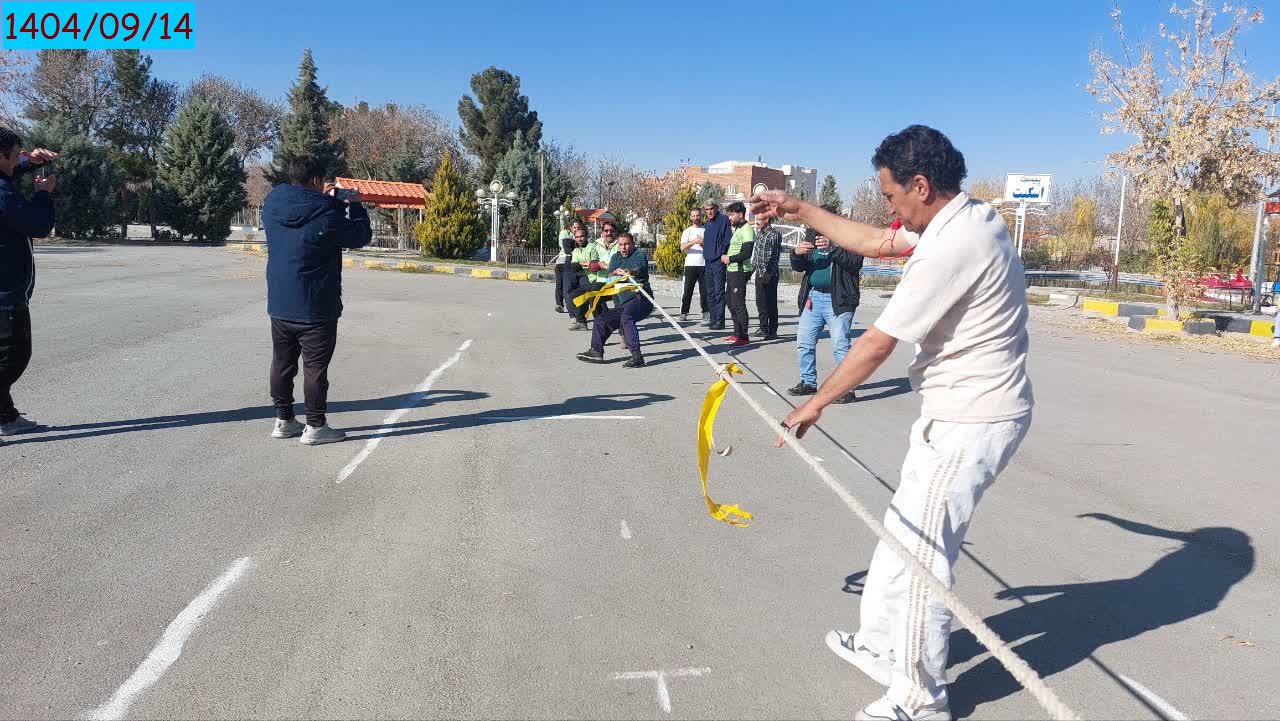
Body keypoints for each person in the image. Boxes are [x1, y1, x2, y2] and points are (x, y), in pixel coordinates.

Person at [753, 125, 1034, 721]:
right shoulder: (968, 217)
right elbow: (878, 241)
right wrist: (801, 209)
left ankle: (921, 696)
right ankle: (883, 645)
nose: (889, 209)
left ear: (921, 186)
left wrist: (815, 403)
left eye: (890, 195)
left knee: (922, 560)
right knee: (903, 532)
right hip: (957, 413)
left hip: (971, 418)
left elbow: (877, 343)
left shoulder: (951, 246)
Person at [263, 156, 372, 446]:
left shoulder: (272, 203)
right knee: (315, 369)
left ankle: (284, 420)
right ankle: (315, 425)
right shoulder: (326, 212)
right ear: (315, 180)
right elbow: (359, 236)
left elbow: (306, 212)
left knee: (282, 363)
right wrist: (354, 204)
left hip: (280, 302)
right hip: (316, 306)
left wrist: (326, 200)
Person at [0, 129, 57, 440]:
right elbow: (38, 225)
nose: (17, 161)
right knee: (13, 357)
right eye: (15, 156)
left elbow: (8, 172)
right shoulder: (3, 194)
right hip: (5, 293)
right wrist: (43, 194)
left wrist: (30, 162)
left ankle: (6, 417)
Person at [788, 231, 863, 403]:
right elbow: (799, 266)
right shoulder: (812, 235)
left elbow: (855, 263)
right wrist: (796, 254)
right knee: (804, 342)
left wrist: (833, 248)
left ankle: (846, 389)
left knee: (841, 346)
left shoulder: (848, 234)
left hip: (838, 299)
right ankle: (808, 382)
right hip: (813, 297)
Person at [576, 232, 652, 368]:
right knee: (601, 320)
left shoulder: (639, 255)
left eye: (626, 244)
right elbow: (609, 275)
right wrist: (615, 273)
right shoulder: (615, 257)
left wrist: (629, 272)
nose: (624, 248)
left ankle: (637, 357)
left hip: (642, 299)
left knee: (626, 316)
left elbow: (638, 269)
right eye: (621, 245)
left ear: (633, 244)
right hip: (624, 303)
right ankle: (596, 351)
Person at [722, 201, 755, 346]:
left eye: (731, 214)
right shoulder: (737, 229)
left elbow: (747, 253)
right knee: (730, 302)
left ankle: (744, 337)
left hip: (740, 271)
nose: (729, 217)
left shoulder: (747, 229)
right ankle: (737, 333)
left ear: (740, 214)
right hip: (732, 270)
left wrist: (730, 259)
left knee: (738, 304)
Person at [751, 214, 783, 339]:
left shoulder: (774, 235)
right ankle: (763, 328)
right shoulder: (759, 234)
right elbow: (756, 255)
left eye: (759, 219)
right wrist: (750, 271)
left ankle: (772, 330)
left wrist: (768, 274)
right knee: (760, 303)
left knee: (771, 303)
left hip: (770, 274)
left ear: (767, 220)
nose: (757, 222)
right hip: (759, 273)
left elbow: (774, 256)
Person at [701, 200, 732, 330]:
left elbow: (727, 239)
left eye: (711, 209)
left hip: (718, 261)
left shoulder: (723, 219)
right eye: (707, 209)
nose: (709, 212)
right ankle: (713, 319)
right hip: (708, 261)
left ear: (716, 208)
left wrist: (721, 253)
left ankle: (720, 320)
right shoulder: (707, 223)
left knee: (719, 292)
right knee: (710, 292)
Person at [679, 207, 707, 322]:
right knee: (688, 290)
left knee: (704, 291)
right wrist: (694, 241)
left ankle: (706, 312)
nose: (696, 218)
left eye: (698, 215)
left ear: (701, 216)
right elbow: (682, 247)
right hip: (690, 264)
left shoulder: (706, 230)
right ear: (691, 217)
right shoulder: (687, 231)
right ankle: (684, 312)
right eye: (694, 216)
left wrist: (703, 244)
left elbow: (710, 248)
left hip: (703, 264)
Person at [565, 227, 595, 330]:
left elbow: (594, 264)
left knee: (596, 303)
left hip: (594, 278)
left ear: (586, 237)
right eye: (577, 237)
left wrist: (583, 264)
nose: (580, 239)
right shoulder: (576, 250)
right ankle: (581, 322)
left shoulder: (592, 247)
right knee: (575, 296)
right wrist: (582, 264)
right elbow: (574, 266)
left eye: (581, 236)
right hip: (585, 277)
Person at [554, 219, 584, 314]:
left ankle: (573, 305)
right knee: (560, 283)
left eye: (578, 227)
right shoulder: (565, 234)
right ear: (571, 228)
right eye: (574, 227)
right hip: (562, 261)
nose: (576, 229)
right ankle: (559, 304)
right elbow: (564, 245)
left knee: (571, 285)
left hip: (574, 263)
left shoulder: (582, 236)